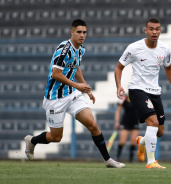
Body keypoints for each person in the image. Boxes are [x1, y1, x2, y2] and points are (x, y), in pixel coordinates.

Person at [24, 19, 125, 168]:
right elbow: (55, 74)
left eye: (84, 32)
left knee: (92, 124)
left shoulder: (80, 49)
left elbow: (76, 68)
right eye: (79, 32)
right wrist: (77, 85)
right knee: (56, 137)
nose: (82, 35)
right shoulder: (64, 49)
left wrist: (85, 87)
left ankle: (108, 160)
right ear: (72, 32)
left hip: (71, 94)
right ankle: (32, 141)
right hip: (55, 98)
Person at [114, 17, 171, 169]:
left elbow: (169, 68)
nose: (154, 32)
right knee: (152, 122)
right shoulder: (134, 48)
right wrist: (119, 85)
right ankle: (151, 161)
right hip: (137, 90)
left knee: (159, 131)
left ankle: (142, 141)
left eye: (157, 29)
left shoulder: (165, 49)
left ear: (160, 31)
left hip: (154, 91)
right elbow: (119, 67)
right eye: (151, 29)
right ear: (145, 30)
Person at [114, 93, 139, 162]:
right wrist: (117, 122)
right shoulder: (124, 98)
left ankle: (131, 160)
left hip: (135, 122)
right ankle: (117, 158)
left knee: (133, 141)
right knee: (122, 141)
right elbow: (118, 110)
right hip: (125, 122)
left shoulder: (138, 97)